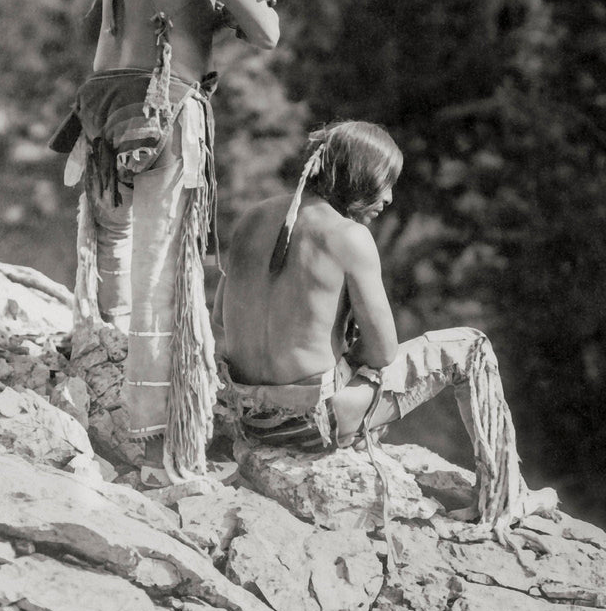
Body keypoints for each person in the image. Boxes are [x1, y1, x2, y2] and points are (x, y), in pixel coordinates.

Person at [50, 0, 280, 482]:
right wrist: (245, 4)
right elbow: (266, 30)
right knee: (165, 273)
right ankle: (160, 444)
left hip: (107, 101)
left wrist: (205, 11)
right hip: (166, 104)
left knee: (115, 260)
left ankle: (102, 397)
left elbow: (112, 18)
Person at [213, 121, 552, 534]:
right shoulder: (349, 236)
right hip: (310, 425)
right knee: (472, 346)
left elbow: (220, 321)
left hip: (248, 419)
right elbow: (384, 353)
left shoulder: (251, 218)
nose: (388, 197)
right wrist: (346, 358)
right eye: (383, 183)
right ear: (357, 178)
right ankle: (504, 499)